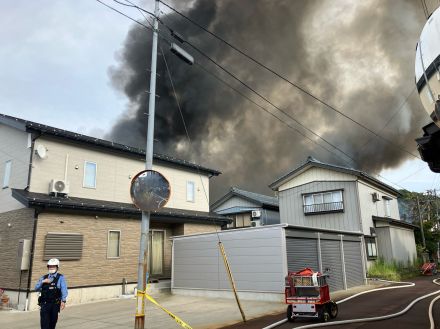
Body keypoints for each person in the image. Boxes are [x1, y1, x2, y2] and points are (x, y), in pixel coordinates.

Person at [35, 258, 68, 329]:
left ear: (57, 267)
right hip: (44, 304)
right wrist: (43, 281)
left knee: (52, 323)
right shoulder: (44, 277)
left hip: (55, 304)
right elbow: (36, 288)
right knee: (44, 324)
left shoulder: (60, 277)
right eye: (50, 266)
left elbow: (64, 290)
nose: (51, 268)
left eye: (53, 266)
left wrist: (63, 301)